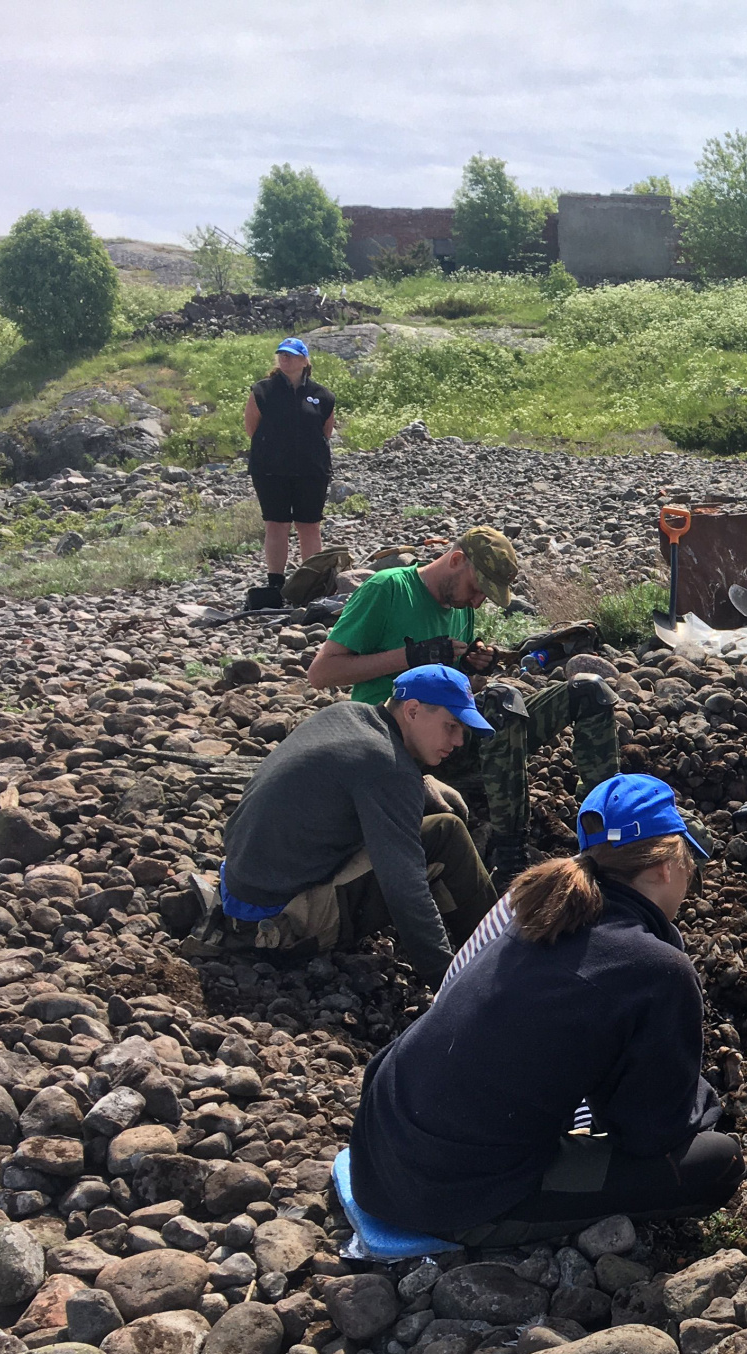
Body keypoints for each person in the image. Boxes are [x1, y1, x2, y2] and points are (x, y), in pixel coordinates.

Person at [349, 774, 742, 1246]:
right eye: (687, 859)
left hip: (379, 1145)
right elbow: (650, 1135)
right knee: (716, 1162)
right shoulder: (658, 967)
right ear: (664, 865)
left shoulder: (542, 911)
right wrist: (702, 1104)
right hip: (444, 1195)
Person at [308, 526, 620, 883]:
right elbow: (322, 673)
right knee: (504, 703)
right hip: (394, 744)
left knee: (588, 691)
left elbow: (459, 695)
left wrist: (474, 672)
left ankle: (608, 825)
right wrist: (412, 657)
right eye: (476, 590)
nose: (476, 603)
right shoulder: (389, 589)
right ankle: (510, 856)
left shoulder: (461, 610)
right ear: (456, 560)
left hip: (450, 736)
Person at [210, 665, 498, 985]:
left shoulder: (347, 715)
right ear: (413, 711)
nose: (459, 740)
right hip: (278, 923)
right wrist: (447, 983)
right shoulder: (388, 767)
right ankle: (497, 957)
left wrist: (419, 784)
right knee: (447, 834)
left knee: (416, 827)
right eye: (452, 726)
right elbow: (405, 888)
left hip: (239, 892)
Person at [242, 338, 338, 612]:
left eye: (292, 356)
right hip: (270, 470)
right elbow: (252, 428)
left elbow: (325, 433)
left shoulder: (323, 395)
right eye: (282, 355)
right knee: (276, 524)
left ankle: (311, 582)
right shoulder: (262, 390)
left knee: (309, 525)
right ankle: (275, 582)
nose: (286, 359)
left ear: (305, 361)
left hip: (311, 471)